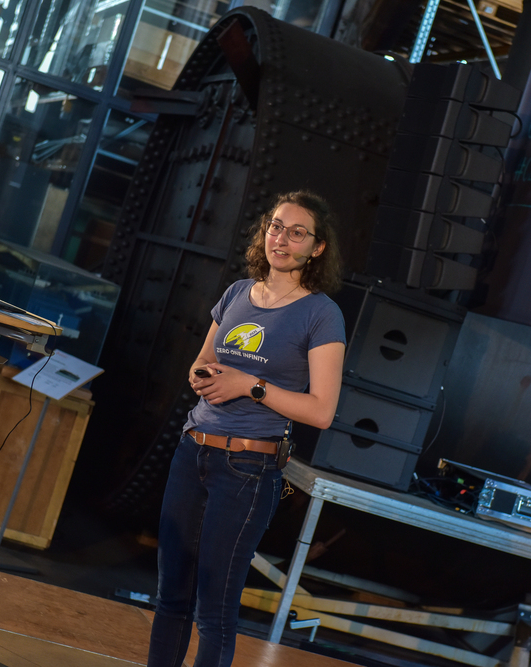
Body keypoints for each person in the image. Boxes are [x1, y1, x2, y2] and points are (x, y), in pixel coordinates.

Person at [147, 191, 346, 667]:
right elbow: (203, 360)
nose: (282, 239)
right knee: (171, 596)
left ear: (317, 248)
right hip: (193, 451)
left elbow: (322, 411)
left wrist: (249, 386)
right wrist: (202, 375)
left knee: (213, 610)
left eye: (297, 233)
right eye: (276, 226)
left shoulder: (321, 314)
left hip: (247, 468)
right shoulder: (238, 292)